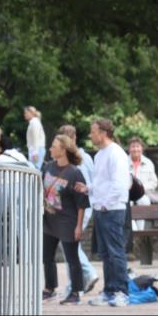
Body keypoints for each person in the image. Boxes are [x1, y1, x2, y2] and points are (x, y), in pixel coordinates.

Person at [75, 118, 132, 307]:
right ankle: (109, 291)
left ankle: (121, 292)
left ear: (103, 133)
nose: (90, 135)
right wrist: (89, 188)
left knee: (116, 252)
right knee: (106, 253)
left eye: (93, 131)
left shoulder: (116, 153)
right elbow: (102, 182)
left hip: (112, 209)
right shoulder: (100, 155)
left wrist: (106, 204)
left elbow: (120, 184)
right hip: (101, 208)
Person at [41, 135, 89, 304]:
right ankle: (49, 288)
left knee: (72, 259)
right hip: (49, 220)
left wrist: (79, 226)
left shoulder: (75, 173)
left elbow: (82, 203)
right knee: (47, 256)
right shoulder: (47, 168)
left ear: (63, 150)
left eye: (54, 146)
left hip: (68, 221)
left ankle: (76, 292)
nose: (50, 149)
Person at [57, 125, 99, 295]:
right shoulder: (86, 157)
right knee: (70, 244)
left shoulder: (75, 158)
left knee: (69, 245)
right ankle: (77, 282)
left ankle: (86, 274)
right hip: (83, 204)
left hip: (78, 206)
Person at [127, 136, 158, 261]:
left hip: (143, 193)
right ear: (129, 149)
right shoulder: (124, 161)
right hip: (128, 193)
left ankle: (139, 232)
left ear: (142, 148)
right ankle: (135, 233)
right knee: (127, 204)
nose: (135, 149)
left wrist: (142, 188)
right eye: (133, 146)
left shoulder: (148, 163)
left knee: (144, 200)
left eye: (137, 146)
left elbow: (154, 182)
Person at [24, 106, 46, 170]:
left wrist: (35, 152)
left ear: (31, 113)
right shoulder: (33, 122)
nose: (24, 115)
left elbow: (35, 138)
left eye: (26, 113)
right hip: (35, 149)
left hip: (36, 150)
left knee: (34, 170)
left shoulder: (34, 122)